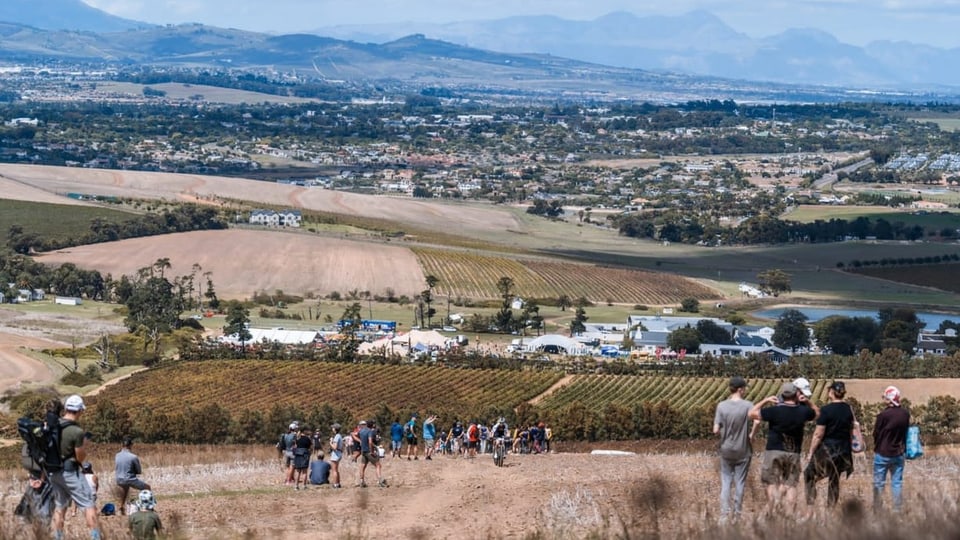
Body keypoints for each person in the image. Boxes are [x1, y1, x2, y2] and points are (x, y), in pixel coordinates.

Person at [750, 382, 819, 514]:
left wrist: (766, 400)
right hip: (793, 452)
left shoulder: (774, 411)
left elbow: (751, 413)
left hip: (773, 450)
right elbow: (818, 414)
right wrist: (808, 402)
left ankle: (771, 510)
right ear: (796, 394)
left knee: (772, 482)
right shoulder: (803, 412)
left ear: (782, 394)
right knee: (791, 485)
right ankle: (789, 515)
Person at [48, 394, 102, 540]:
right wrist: (84, 447)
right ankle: (95, 537)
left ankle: (58, 537)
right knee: (88, 504)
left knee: (60, 507)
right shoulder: (76, 432)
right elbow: (80, 457)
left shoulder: (53, 425)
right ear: (79, 411)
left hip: (54, 473)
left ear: (66, 409)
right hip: (70, 471)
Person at [804, 381, 855, 510]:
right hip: (843, 449)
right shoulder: (848, 409)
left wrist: (811, 452)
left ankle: (810, 504)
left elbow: (818, 434)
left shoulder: (825, 410)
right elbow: (851, 430)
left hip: (828, 449)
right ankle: (830, 509)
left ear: (831, 392)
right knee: (834, 479)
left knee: (809, 473)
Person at [714, 376, 758, 521]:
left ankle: (723, 515)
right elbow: (757, 420)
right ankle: (737, 515)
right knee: (740, 482)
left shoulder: (721, 405)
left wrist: (723, 431)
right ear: (740, 389)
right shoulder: (748, 405)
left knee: (726, 481)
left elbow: (715, 429)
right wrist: (751, 434)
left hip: (726, 448)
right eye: (744, 388)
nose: (745, 391)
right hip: (743, 449)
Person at [873, 385, 910, 512]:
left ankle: (878, 510)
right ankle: (897, 510)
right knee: (897, 483)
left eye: (885, 397)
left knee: (879, 483)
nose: (883, 399)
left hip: (882, 452)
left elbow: (876, 433)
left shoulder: (883, 415)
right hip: (899, 453)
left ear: (889, 399)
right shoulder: (905, 414)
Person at [115, 436, 151, 516]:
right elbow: (139, 471)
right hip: (129, 479)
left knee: (125, 489)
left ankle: (121, 507)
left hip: (118, 479)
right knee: (147, 488)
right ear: (130, 445)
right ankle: (147, 507)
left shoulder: (117, 455)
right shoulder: (133, 457)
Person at [359, 420, 386, 487]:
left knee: (363, 466)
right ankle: (380, 481)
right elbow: (370, 442)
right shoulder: (369, 431)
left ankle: (362, 481)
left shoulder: (361, 431)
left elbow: (357, 437)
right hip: (368, 451)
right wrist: (372, 452)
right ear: (372, 425)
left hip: (363, 451)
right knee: (378, 465)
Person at [328, 423, 344, 489]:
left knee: (334, 470)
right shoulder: (340, 436)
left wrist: (330, 442)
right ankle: (338, 483)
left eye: (333, 428)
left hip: (335, 455)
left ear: (335, 429)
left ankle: (335, 484)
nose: (332, 429)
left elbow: (334, 447)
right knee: (336, 470)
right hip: (339, 454)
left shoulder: (337, 436)